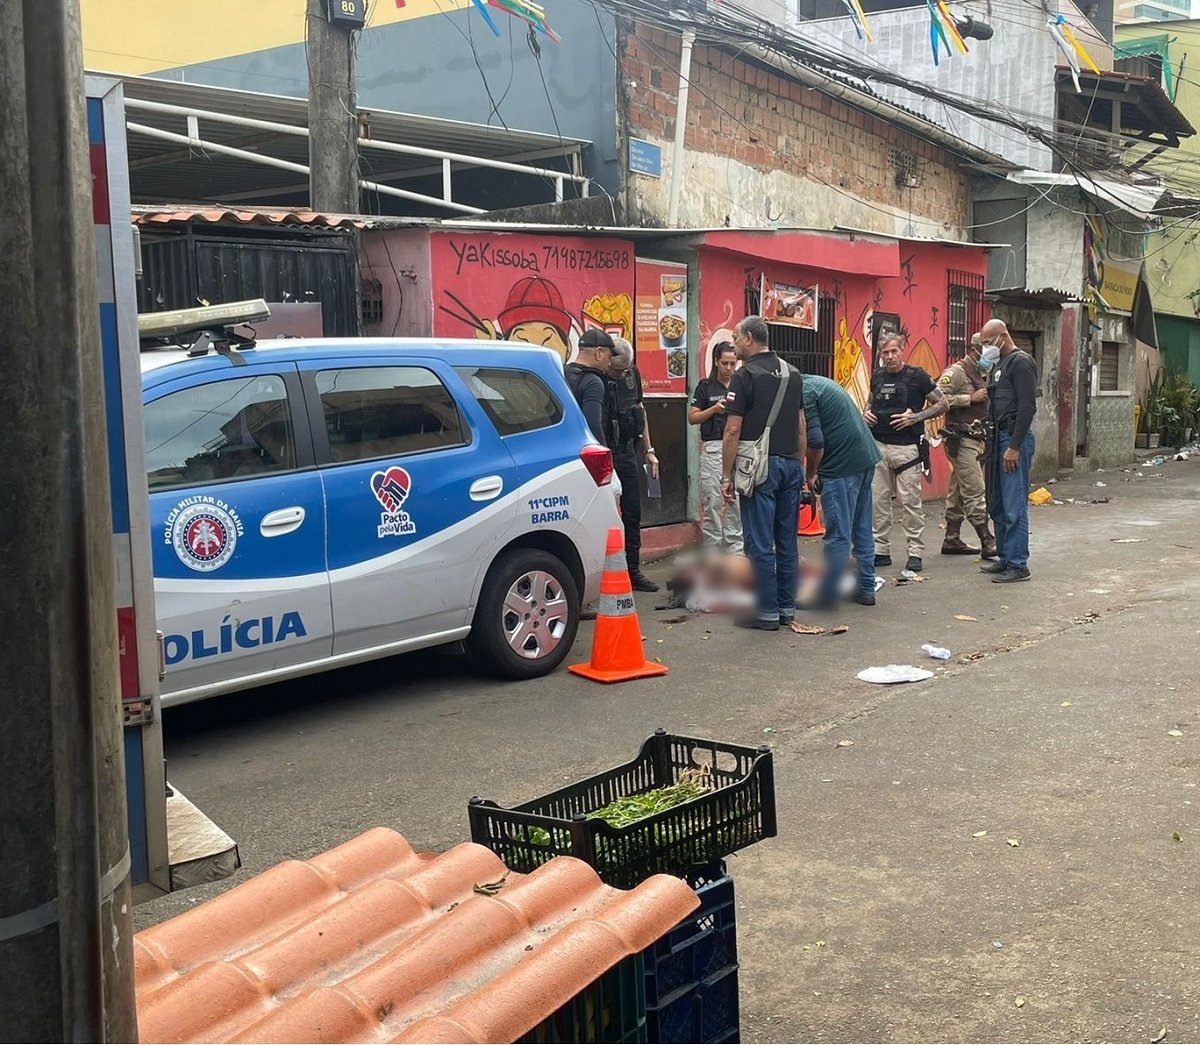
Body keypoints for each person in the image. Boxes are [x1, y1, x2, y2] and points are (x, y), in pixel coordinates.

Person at [719, 316, 806, 631]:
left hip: (760, 469)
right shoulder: (792, 374)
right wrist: (801, 465)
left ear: (749, 339)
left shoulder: (745, 376)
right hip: (791, 465)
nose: (734, 343)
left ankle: (767, 611)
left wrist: (727, 476)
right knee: (786, 540)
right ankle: (786, 607)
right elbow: (800, 426)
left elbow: (732, 430)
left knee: (758, 542)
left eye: (736, 337)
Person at [865, 334, 947, 573]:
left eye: (894, 351)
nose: (890, 357)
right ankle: (881, 550)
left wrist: (916, 417)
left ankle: (915, 552)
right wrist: (865, 414)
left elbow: (943, 404)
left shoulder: (917, 376)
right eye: (885, 353)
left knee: (910, 503)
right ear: (880, 354)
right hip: (879, 446)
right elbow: (869, 403)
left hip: (907, 448)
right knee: (878, 502)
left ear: (902, 350)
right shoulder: (877, 376)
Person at [802, 374, 882, 608]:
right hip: (865, 458)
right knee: (862, 528)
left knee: (838, 533)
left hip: (842, 467)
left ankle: (827, 594)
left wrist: (811, 473)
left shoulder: (804, 393)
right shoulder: (819, 383)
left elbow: (815, 440)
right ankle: (866, 587)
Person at [979, 318, 1037, 583]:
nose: (986, 348)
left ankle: (1018, 563)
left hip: (1013, 440)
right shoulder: (998, 365)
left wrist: (1014, 446)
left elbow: (1027, 408)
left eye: (989, 342)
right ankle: (1005, 557)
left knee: (1014, 506)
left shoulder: (1021, 362)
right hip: (997, 439)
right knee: (997, 504)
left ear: (1003, 336)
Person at [937, 333, 998, 559]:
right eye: (988, 348)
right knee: (974, 488)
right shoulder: (955, 372)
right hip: (959, 439)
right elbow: (938, 399)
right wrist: (968, 399)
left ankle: (951, 539)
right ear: (975, 349)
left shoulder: (983, 373)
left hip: (975, 439)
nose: (992, 353)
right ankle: (987, 539)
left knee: (959, 489)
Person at [608, 337, 660, 593]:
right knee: (604, 518)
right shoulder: (593, 379)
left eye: (627, 369)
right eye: (619, 370)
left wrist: (649, 450)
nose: (623, 374)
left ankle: (633, 569)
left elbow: (640, 409)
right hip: (603, 453)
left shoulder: (631, 373)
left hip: (628, 451)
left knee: (632, 512)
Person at [689, 342, 743, 555]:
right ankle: (712, 547)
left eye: (733, 363)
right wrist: (714, 409)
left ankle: (735, 547)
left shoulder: (740, 385)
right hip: (713, 446)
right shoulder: (705, 386)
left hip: (737, 446)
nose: (729, 368)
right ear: (716, 362)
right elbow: (692, 417)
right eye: (725, 363)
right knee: (712, 498)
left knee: (736, 498)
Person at [564, 328, 616, 447]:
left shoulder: (561, 372)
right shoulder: (593, 382)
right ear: (598, 353)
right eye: (609, 357)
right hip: (584, 451)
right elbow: (593, 424)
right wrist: (604, 456)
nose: (609, 364)